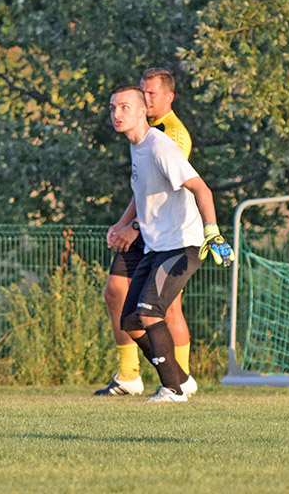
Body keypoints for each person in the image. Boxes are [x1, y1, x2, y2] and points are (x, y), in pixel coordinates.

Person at [105, 84, 234, 402]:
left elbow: (202, 189)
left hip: (183, 244)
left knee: (150, 314)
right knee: (132, 321)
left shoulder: (160, 146)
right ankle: (181, 378)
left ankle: (172, 390)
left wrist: (212, 232)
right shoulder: (137, 148)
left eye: (124, 107)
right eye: (112, 108)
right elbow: (143, 193)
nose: (117, 113)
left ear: (140, 111)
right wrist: (123, 224)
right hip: (157, 247)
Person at [94, 68, 196, 397]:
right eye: (143, 92)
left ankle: (180, 380)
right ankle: (130, 375)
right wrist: (123, 223)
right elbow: (142, 188)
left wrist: (133, 228)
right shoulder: (139, 134)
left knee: (164, 308)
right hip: (144, 231)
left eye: (151, 94)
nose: (146, 99)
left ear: (168, 98)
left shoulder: (169, 137)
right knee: (117, 295)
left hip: (164, 234)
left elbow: (168, 191)